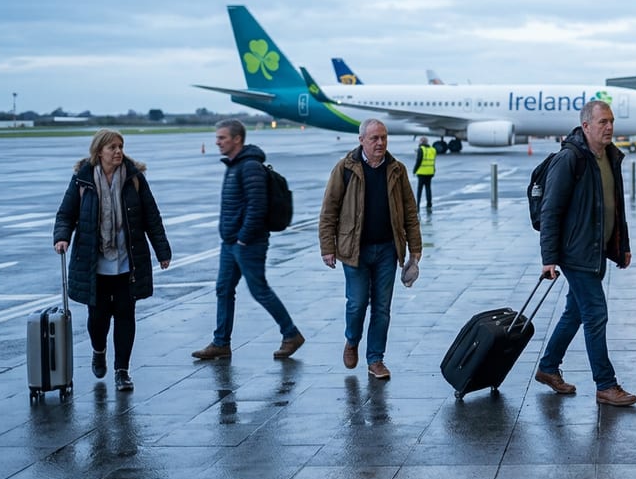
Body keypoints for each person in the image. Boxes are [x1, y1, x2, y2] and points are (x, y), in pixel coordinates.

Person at [534, 100, 636, 406]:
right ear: (586, 126)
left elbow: (615, 207)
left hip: (597, 249)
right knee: (596, 314)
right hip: (575, 252)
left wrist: (623, 245)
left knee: (575, 312)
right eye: (603, 122)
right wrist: (548, 258)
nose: (609, 127)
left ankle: (548, 367)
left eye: (611, 121)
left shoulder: (609, 156)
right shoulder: (570, 159)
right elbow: (550, 210)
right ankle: (606, 385)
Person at [53, 129, 172, 392]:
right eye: (112, 148)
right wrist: (62, 237)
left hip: (126, 261)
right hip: (94, 263)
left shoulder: (134, 179)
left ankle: (122, 371)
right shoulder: (82, 181)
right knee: (98, 318)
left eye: (120, 146)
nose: (118, 151)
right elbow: (65, 214)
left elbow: (152, 216)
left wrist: (162, 251)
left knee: (125, 315)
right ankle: (98, 350)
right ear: (99, 152)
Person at [192, 119, 305, 361]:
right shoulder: (234, 166)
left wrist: (243, 238)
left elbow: (257, 206)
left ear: (237, 139)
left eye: (222, 138)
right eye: (217, 137)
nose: (217, 142)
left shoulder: (249, 167)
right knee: (223, 289)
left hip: (247, 243)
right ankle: (221, 343)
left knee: (259, 290)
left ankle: (291, 334)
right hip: (230, 242)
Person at [319, 119, 422, 379]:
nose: (380, 143)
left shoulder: (396, 170)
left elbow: (410, 211)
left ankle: (375, 359)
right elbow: (329, 210)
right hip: (355, 250)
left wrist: (415, 249)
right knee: (356, 304)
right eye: (374, 138)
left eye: (384, 138)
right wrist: (327, 247)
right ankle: (352, 340)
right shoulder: (344, 169)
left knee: (382, 308)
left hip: (388, 249)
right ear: (361, 140)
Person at [413, 136, 436, 210]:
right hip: (430, 172)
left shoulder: (421, 149)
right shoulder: (432, 150)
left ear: (421, 142)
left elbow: (418, 161)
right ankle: (429, 203)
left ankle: (418, 205)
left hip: (422, 173)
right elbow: (433, 161)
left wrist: (414, 170)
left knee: (419, 190)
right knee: (428, 188)